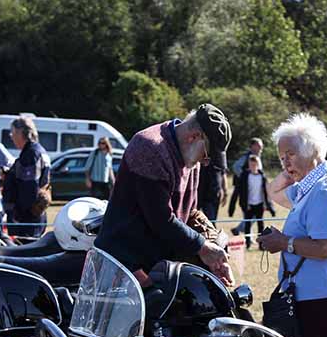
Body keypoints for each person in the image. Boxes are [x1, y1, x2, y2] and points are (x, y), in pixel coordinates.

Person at [94, 104, 234, 287]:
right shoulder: (150, 148)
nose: (205, 162)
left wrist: (215, 255)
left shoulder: (190, 157)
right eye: (207, 155)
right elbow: (161, 219)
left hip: (156, 261)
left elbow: (189, 212)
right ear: (194, 137)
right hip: (124, 264)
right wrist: (202, 247)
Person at [258, 113, 327, 337]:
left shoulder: (324, 188)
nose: (285, 163)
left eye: (290, 154)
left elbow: (326, 248)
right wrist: (292, 168)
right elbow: (274, 191)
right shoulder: (311, 183)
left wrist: (284, 242)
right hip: (314, 294)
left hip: (322, 297)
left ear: (312, 149)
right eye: (281, 157)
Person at [2, 116, 51, 237]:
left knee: (24, 251)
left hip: (27, 219)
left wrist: (18, 216)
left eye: (12, 133)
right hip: (36, 216)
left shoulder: (31, 154)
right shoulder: (39, 150)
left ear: (20, 133)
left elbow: (28, 188)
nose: (11, 137)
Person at [227, 154, 273, 247]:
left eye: (254, 164)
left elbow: (266, 192)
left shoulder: (262, 177)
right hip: (248, 205)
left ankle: (261, 245)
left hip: (259, 204)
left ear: (258, 164)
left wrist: (269, 206)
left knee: (261, 225)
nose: (253, 166)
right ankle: (248, 243)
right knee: (247, 224)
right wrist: (233, 207)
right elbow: (238, 192)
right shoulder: (244, 176)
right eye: (251, 164)